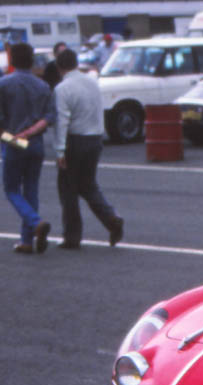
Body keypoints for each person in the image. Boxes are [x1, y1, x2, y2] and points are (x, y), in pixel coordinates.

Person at [53, 48, 123, 249]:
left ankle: (72, 236)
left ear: (59, 67)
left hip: (75, 140)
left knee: (68, 189)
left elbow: (62, 120)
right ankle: (111, 218)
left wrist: (60, 150)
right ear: (76, 63)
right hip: (95, 138)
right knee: (88, 185)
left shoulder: (62, 88)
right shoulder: (92, 82)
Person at [0, 43, 54, 255]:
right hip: (36, 142)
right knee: (31, 189)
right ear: (32, 61)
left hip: (14, 141)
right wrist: (30, 132)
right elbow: (49, 117)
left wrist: (12, 138)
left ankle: (35, 222)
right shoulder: (43, 86)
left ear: (12, 60)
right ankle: (27, 240)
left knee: (12, 189)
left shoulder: (4, 84)